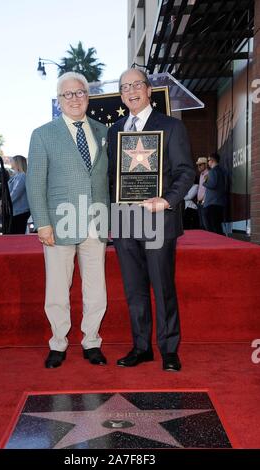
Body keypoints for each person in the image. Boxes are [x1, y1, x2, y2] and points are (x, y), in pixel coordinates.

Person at [107, 68, 195, 372]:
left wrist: (168, 199)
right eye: (125, 87)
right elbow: (110, 178)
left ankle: (169, 350)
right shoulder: (114, 129)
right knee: (134, 289)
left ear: (148, 90)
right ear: (121, 94)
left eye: (136, 85)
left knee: (162, 286)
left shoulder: (170, 127)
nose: (131, 91)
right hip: (124, 219)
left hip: (158, 219)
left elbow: (186, 172)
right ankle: (141, 347)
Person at [26, 72, 109, 369]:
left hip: (97, 221)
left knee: (96, 288)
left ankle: (91, 342)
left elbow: (107, 179)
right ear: (59, 100)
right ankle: (58, 343)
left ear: (88, 97)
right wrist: (43, 223)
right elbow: (35, 183)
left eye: (80, 93)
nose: (75, 98)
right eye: (68, 94)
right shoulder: (43, 134)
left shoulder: (103, 131)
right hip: (59, 223)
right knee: (58, 289)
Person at [203, 153, 226, 235]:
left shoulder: (212, 171)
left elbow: (212, 185)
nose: (208, 162)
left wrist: (204, 182)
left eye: (208, 160)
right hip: (219, 202)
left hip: (212, 203)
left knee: (212, 228)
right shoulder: (222, 170)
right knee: (217, 227)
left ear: (212, 161)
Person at [8, 155, 30, 234]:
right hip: (16, 211)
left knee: (16, 234)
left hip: (20, 211)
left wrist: (6, 202)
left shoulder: (21, 176)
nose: (11, 162)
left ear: (17, 163)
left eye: (12, 160)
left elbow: (15, 192)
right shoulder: (16, 176)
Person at [196, 156, 209, 230]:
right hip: (199, 202)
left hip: (204, 202)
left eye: (200, 164)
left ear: (205, 164)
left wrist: (204, 200)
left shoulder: (208, 174)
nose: (198, 166)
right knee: (201, 224)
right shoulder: (201, 175)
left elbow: (207, 189)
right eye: (198, 165)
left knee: (205, 223)